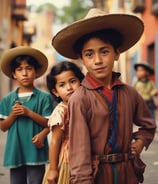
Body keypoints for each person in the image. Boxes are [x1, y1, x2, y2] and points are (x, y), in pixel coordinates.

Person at [51, 8, 157, 184]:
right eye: (89, 54)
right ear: (82, 59)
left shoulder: (129, 93)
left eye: (104, 51)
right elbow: (79, 151)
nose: (97, 60)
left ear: (117, 53)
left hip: (127, 173)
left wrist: (140, 141)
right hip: (96, 174)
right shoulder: (80, 99)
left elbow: (148, 125)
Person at [0, 46, 55, 184]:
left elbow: (50, 123)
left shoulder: (44, 98)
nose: (24, 73)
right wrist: (13, 115)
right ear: (13, 74)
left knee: (37, 181)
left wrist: (28, 113)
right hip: (15, 152)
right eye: (19, 69)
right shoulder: (7, 100)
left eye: (29, 68)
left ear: (36, 72)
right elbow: (3, 127)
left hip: (36, 152)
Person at [42, 61, 84, 184]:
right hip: (68, 160)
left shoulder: (83, 106)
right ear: (55, 92)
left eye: (72, 81)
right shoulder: (61, 112)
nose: (69, 88)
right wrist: (53, 169)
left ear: (80, 82)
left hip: (85, 155)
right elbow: (55, 141)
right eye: (62, 85)